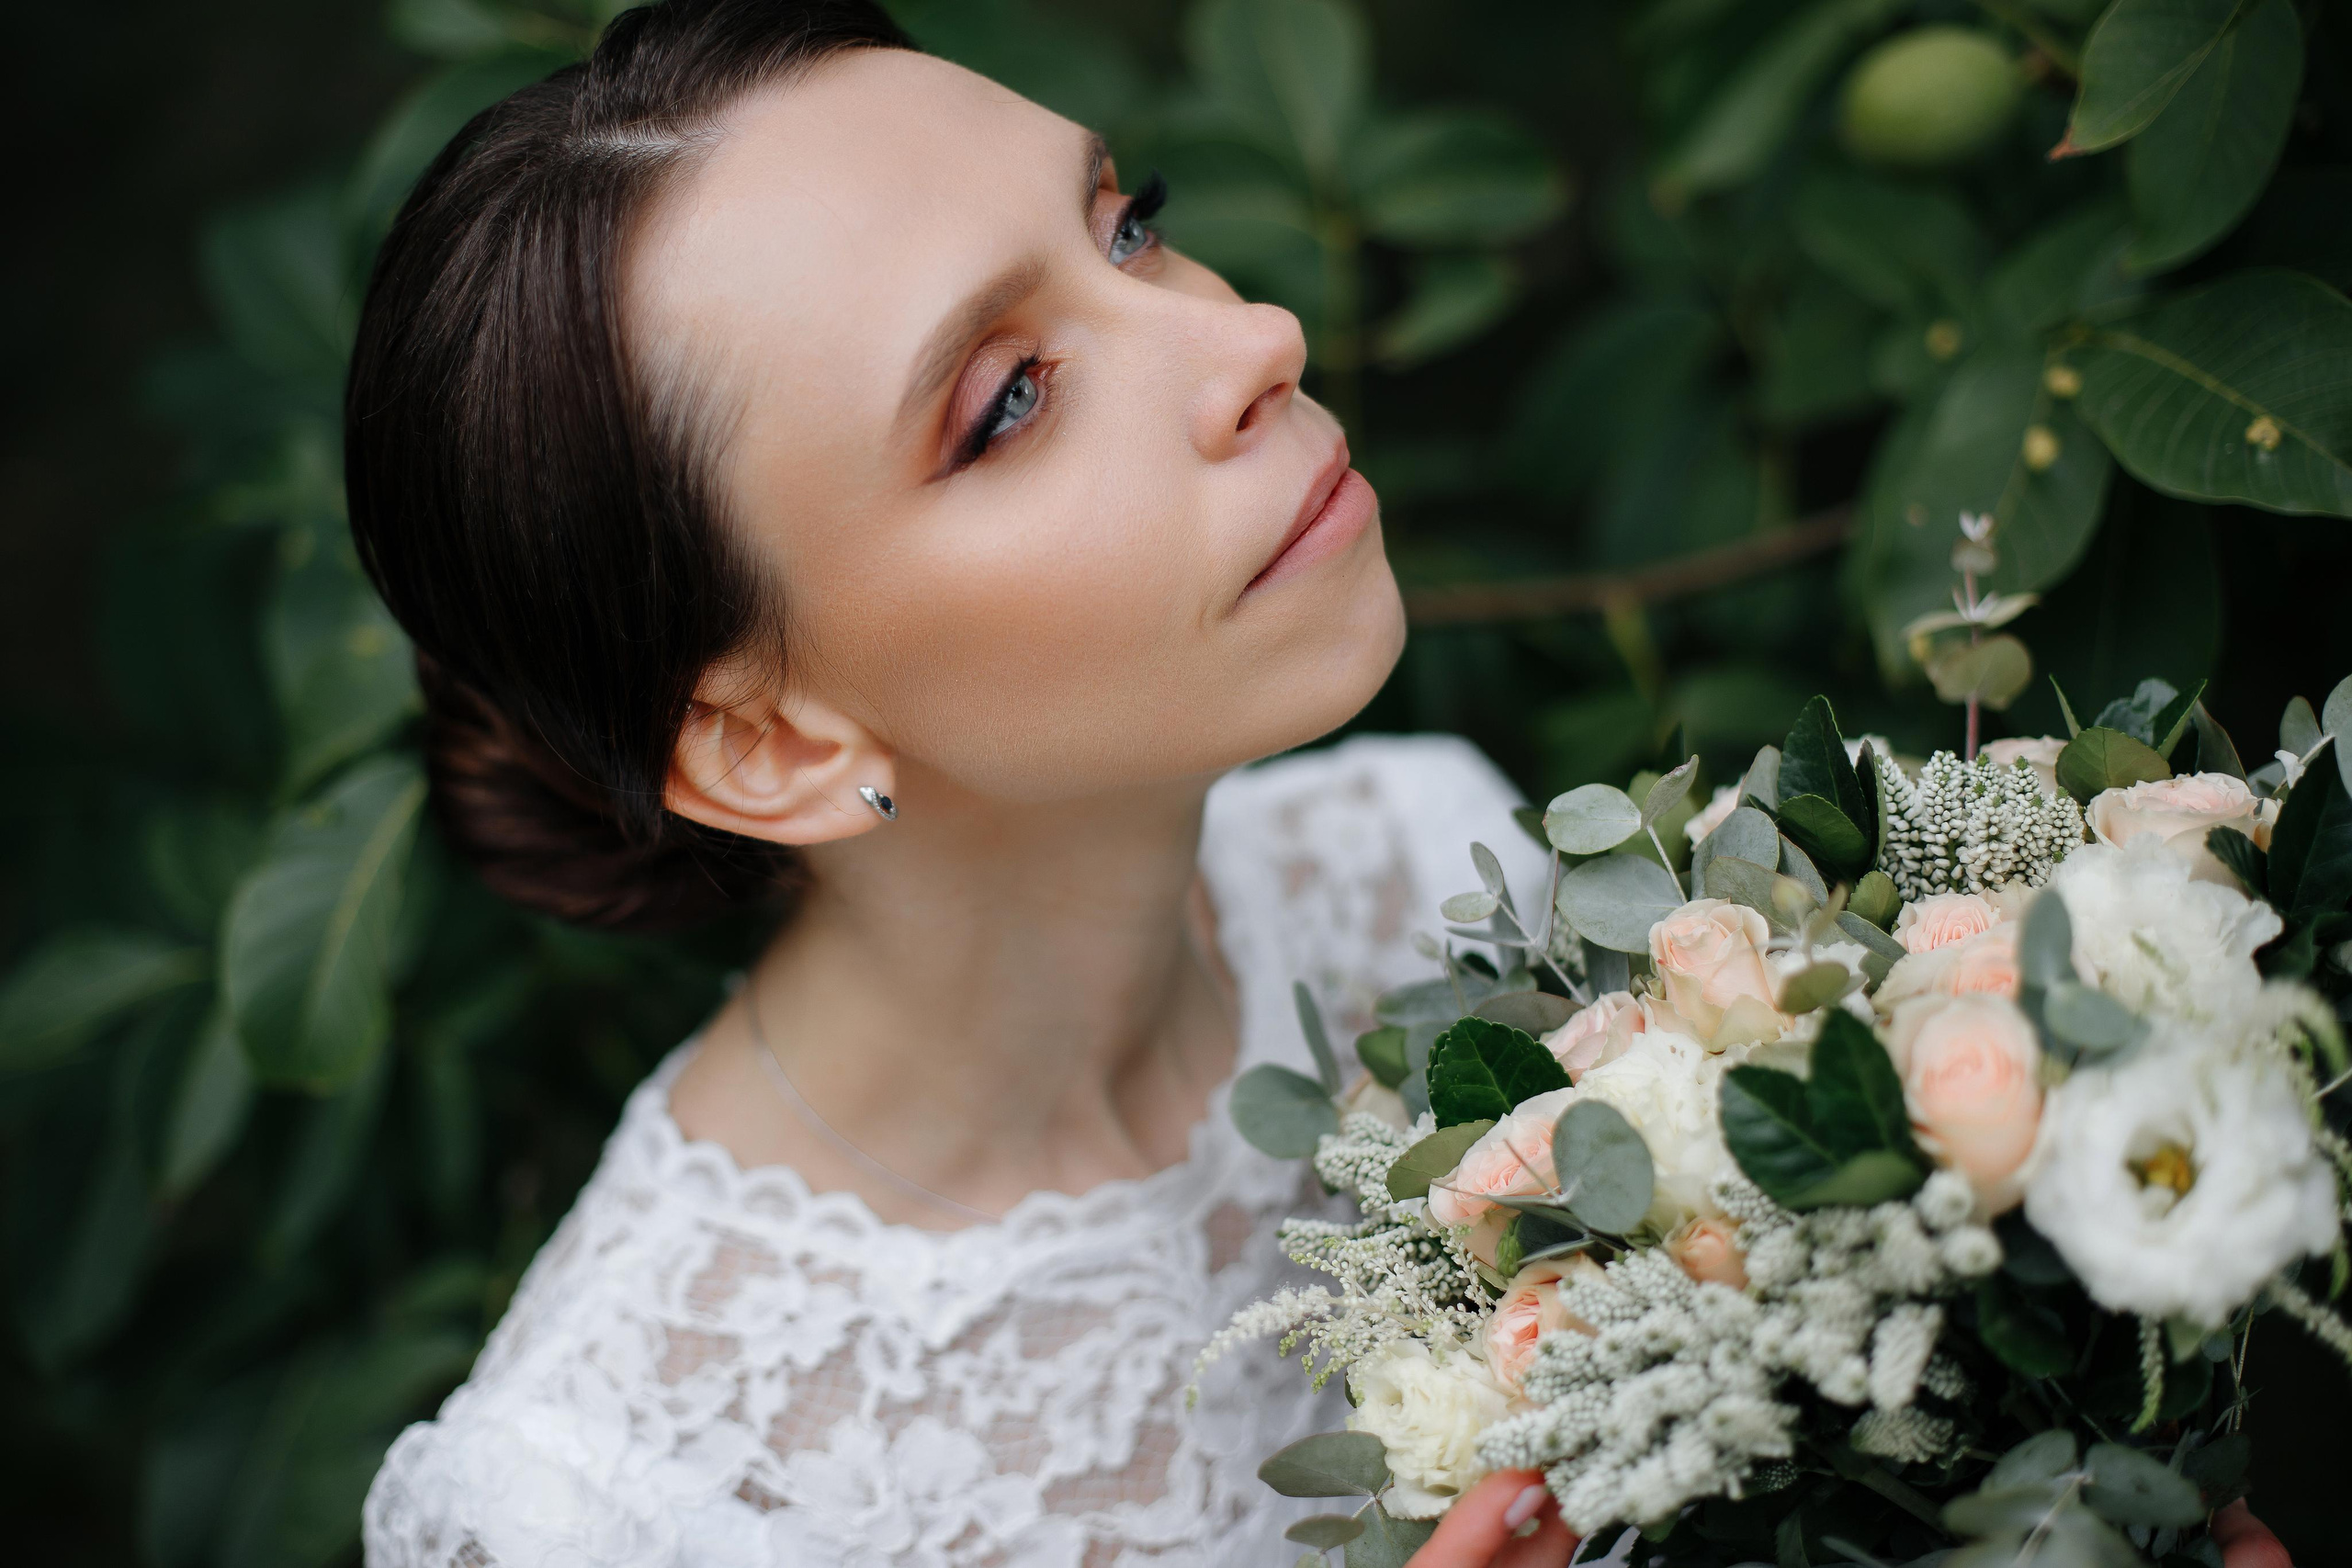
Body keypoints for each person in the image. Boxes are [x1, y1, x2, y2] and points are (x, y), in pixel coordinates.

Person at [347, 4, 2292, 1565]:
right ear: (773, 741)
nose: (1247, 334)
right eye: (1006, 399)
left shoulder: (1412, 867)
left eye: (1125, 225)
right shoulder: (603, 1504)